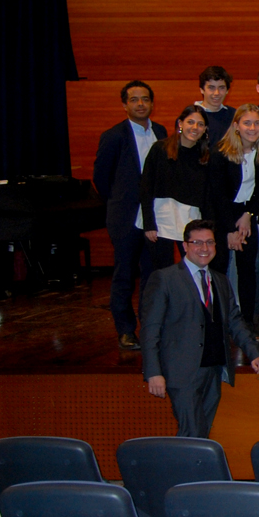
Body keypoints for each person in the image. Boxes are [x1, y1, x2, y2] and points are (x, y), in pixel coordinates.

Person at [141, 219, 259, 438]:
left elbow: (235, 322)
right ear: (185, 245)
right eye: (197, 243)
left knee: (202, 435)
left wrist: (255, 353)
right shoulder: (165, 279)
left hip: (213, 370)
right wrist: (153, 372)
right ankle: (187, 473)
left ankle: (197, 472)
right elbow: (150, 329)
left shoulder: (220, 280)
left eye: (209, 243)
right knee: (191, 434)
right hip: (182, 373)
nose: (204, 249)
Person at [94, 80, 168, 350]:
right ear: (124, 104)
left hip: (155, 218)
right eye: (134, 99)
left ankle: (149, 326)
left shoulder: (160, 131)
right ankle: (125, 330)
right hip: (125, 217)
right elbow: (101, 178)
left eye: (145, 99)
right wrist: (120, 201)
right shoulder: (113, 136)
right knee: (124, 274)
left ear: (152, 103)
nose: (140, 104)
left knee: (152, 275)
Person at [206, 104, 259, 337]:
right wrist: (229, 231)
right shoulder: (220, 154)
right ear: (236, 126)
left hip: (248, 213)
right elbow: (217, 196)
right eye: (247, 123)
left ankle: (247, 322)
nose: (252, 128)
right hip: (222, 216)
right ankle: (216, 321)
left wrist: (248, 216)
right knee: (218, 269)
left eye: (256, 123)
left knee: (248, 270)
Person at [140, 105, 211, 260]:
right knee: (161, 272)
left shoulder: (205, 157)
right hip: (161, 219)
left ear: (205, 128)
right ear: (180, 123)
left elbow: (207, 197)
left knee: (192, 269)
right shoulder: (160, 149)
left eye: (200, 124)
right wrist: (149, 224)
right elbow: (146, 188)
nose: (195, 127)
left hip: (191, 218)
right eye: (190, 122)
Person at [197, 66, 236, 145]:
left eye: (221, 88)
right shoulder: (190, 116)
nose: (216, 93)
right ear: (201, 89)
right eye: (211, 88)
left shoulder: (234, 115)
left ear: (227, 90)